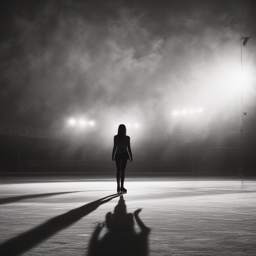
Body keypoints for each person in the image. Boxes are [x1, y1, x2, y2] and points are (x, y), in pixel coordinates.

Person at [112, 124, 133, 193]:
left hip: (118, 154)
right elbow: (128, 147)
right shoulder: (127, 138)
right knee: (122, 171)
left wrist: (113, 155)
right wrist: (131, 156)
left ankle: (118, 186)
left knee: (118, 171)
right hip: (124, 154)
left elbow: (115, 147)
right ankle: (122, 186)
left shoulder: (115, 137)